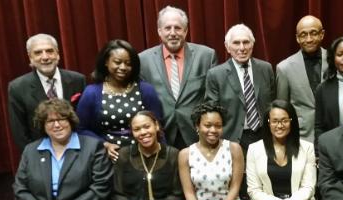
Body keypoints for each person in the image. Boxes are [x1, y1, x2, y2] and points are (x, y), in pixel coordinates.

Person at [13, 99, 113, 200]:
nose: (57, 125)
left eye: (61, 119)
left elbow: (102, 186)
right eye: (50, 121)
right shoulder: (31, 150)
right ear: (43, 125)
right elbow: (20, 188)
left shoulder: (93, 147)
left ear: (71, 121)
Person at [140, 5, 218, 150]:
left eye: (178, 28)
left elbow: (212, 98)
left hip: (197, 135)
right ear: (159, 31)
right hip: (161, 135)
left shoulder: (206, 56)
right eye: (167, 28)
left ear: (186, 31)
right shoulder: (143, 60)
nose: (173, 33)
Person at [76, 39, 163, 161]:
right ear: (106, 62)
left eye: (128, 63)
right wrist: (104, 145)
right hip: (108, 157)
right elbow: (81, 129)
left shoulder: (145, 89)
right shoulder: (92, 93)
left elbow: (157, 124)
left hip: (145, 155)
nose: (123, 67)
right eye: (117, 62)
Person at [246, 99, 317, 200]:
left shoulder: (307, 148)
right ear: (268, 123)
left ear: (292, 121)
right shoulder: (254, 149)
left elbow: (308, 187)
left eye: (284, 120)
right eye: (275, 121)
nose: (279, 125)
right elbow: (254, 190)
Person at [8, 33, 86, 153]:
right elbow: (19, 131)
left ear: (58, 54)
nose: (45, 57)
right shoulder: (17, 87)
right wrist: (34, 158)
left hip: (78, 151)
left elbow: (85, 119)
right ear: (30, 57)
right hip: (41, 153)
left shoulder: (77, 80)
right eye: (38, 53)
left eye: (49, 51)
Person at [108, 111, 183, 200]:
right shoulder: (124, 154)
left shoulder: (173, 155)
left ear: (156, 126)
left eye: (147, 127)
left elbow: (177, 195)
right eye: (137, 129)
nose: (143, 132)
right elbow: (117, 193)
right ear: (132, 132)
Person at [205, 23, 275, 153]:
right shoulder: (216, 75)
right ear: (227, 47)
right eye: (236, 43)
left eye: (246, 42)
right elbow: (212, 111)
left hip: (264, 136)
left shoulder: (266, 69)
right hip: (233, 139)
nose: (242, 48)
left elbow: (273, 102)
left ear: (252, 45)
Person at [178, 102, 245, 200]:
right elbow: (189, 193)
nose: (213, 130)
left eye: (218, 126)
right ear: (197, 126)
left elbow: (235, 188)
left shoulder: (234, 149)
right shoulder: (185, 154)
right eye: (207, 125)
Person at [275, 15, 327, 142]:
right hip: (301, 135)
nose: (309, 39)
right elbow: (283, 107)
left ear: (322, 34)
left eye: (313, 33)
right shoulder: (284, 68)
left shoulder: (336, 61)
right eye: (303, 35)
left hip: (333, 130)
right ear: (297, 38)